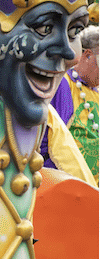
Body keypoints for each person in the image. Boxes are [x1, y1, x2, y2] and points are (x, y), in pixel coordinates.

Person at [42, 26, 99, 182]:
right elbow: (49, 137)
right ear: (88, 55)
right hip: (65, 186)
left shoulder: (96, 92)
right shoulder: (61, 83)